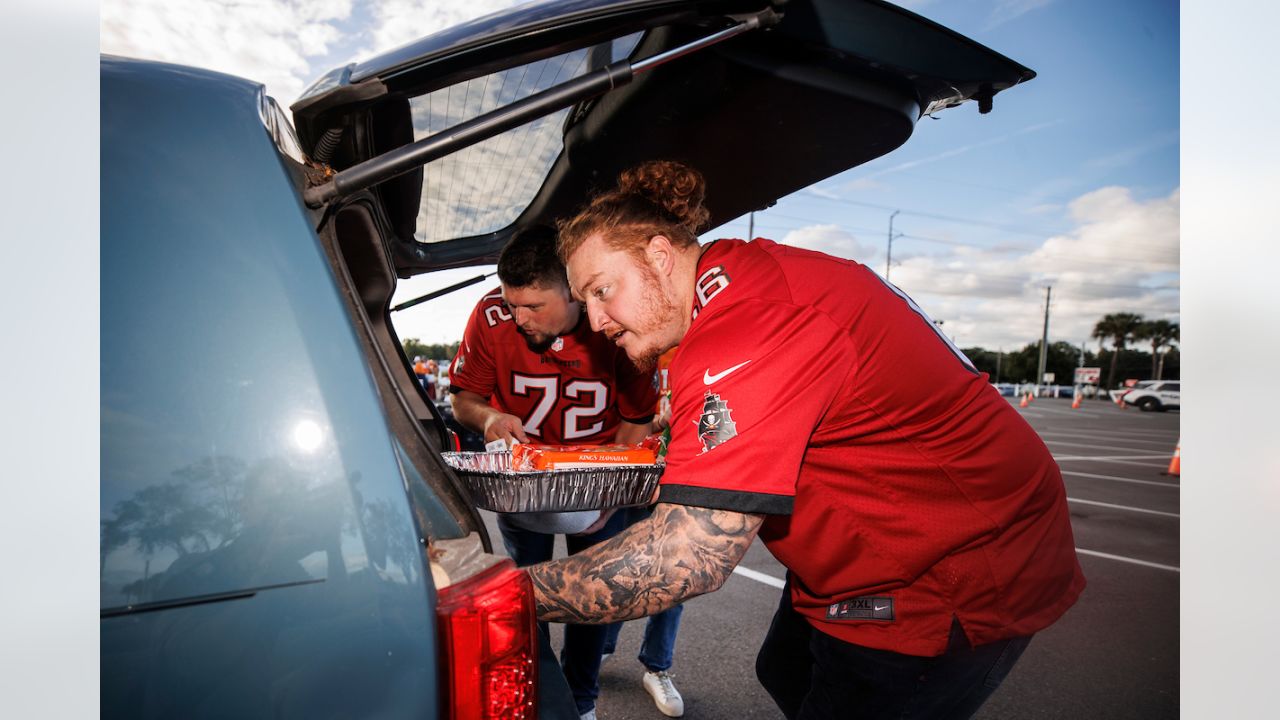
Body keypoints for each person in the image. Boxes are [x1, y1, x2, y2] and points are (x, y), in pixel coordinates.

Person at [526, 160, 1086, 719]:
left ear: (659, 256)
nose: (595, 321)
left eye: (602, 291)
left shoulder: (746, 324)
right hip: (872, 548)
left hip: (949, 573)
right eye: (587, 300)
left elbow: (685, 558)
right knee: (784, 668)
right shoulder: (741, 276)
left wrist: (505, 592)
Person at [448, 225, 659, 720]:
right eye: (511, 302)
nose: (519, 318)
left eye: (534, 307)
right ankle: (538, 697)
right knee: (526, 596)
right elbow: (463, 399)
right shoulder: (493, 315)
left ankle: (581, 703)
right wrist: (491, 418)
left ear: (574, 291)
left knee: (591, 598)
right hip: (525, 479)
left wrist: (608, 488)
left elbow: (637, 417)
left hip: (592, 478)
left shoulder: (611, 317)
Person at [599, 347, 687, 718]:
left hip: (677, 478)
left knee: (676, 575)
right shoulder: (632, 346)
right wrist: (652, 422)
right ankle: (599, 646)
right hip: (632, 475)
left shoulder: (699, 343)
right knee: (615, 567)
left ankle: (657, 667)